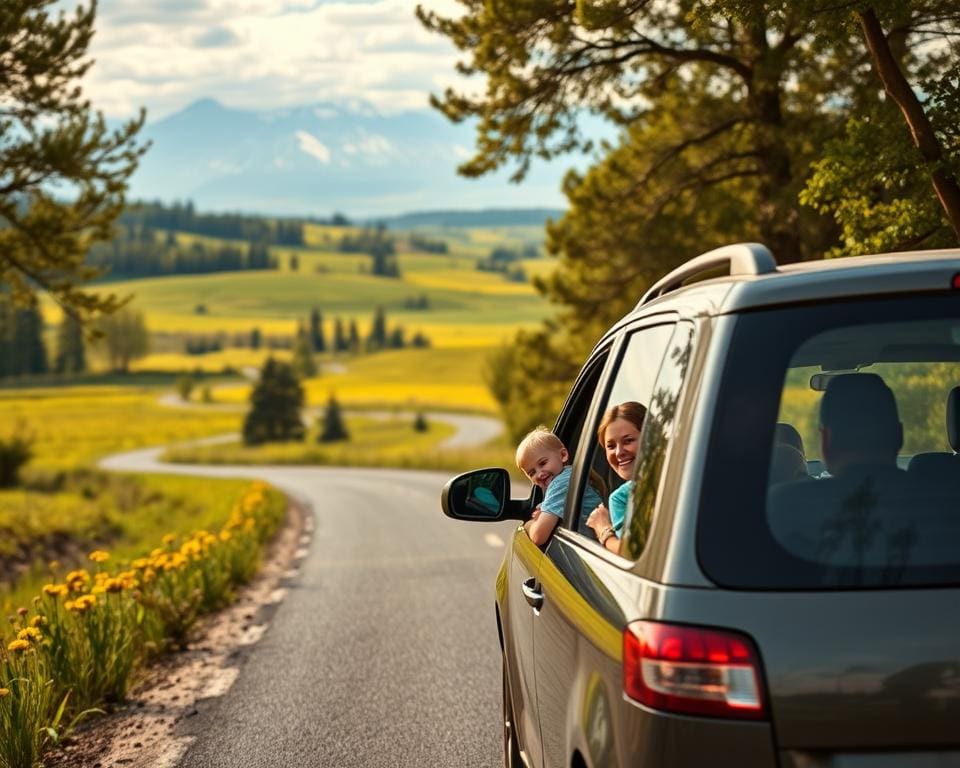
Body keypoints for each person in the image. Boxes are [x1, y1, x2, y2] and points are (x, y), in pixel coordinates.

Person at [516, 426, 602, 546]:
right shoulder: (570, 475)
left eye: (543, 463)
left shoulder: (561, 483)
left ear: (563, 455)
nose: (539, 474)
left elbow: (538, 536)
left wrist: (529, 525)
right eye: (532, 473)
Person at [585, 402, 646, 554]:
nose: (619, 452)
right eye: (611, 446)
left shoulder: (621, 498)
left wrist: (603, 529)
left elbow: (630, 554)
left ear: (650, 438)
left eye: (628, 441)